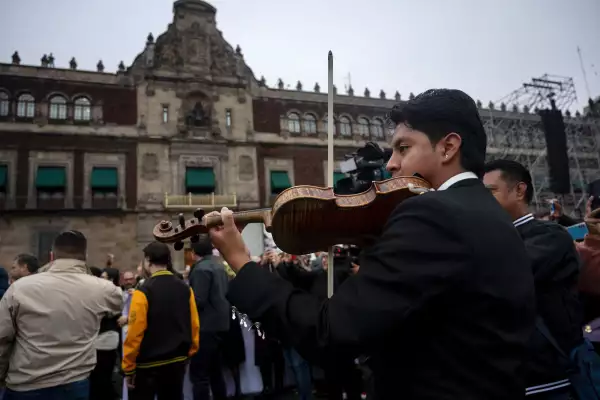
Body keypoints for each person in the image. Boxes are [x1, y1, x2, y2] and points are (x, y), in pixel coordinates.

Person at [206, 89, 536, 399]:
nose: (391, 163)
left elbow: (331, 332)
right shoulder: (493, 216)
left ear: (448, 147)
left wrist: (242, 263)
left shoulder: (432, 213)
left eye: (404, 148)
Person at [484, 159, 583, 398]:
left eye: (491, 192)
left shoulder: (550, 236)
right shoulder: (489, 239)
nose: (482, 202)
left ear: (519, 190)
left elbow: (501, 276)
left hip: (549, 379)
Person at [0, 230, 123, 400]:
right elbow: (117, 305)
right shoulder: (104, 290)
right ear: (85, 256)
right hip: (73, 384)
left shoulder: (19, 288)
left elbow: (2, 338)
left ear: (52, 256)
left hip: (25, 383)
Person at [123, 241, 200, 400]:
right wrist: (190, 351)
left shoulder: (142, 291)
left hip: (148, 365)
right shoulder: (185, 288)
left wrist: (129, 368)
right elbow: (194, 323)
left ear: (148, 261)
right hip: (177, 360)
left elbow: (135, 332)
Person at [188, 237, 230, 400]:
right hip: (221, 324)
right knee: (216, 373)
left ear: (193, 253)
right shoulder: (219, 266)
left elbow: (198, 300)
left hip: (205, 326)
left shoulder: (200, 269)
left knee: (200, 376)